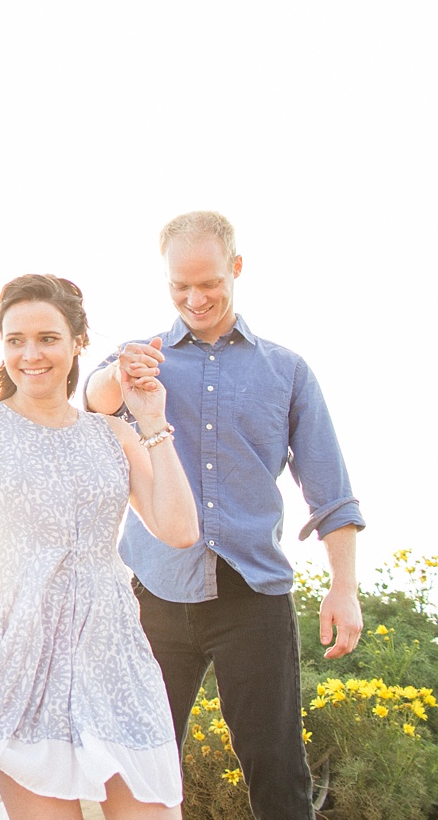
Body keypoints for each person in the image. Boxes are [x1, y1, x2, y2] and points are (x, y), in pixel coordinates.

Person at [83, 210, 363, 820]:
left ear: (236, 269)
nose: (194, 297)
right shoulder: (138, 361)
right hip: (154, 595)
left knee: (278, 776)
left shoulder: (286, 371)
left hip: (253, 597)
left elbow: (331, 492)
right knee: (138, 773)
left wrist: (344, 587)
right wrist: (118, 375)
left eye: (208, 282)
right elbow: (92, 407)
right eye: (179, 287)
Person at [0, 274, 199, 820]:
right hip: (17, 661)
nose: (30, 354)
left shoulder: (113, 435)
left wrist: (151, 420)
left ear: (78, 342)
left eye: (48, 338)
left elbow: (179, 530)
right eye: (15, 340)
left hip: (113, 654)